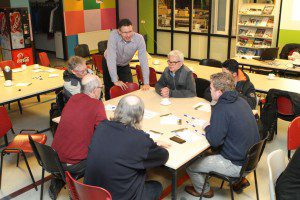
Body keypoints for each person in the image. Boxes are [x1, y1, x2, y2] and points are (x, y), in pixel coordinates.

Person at [185, 72, 260, 198]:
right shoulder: (241, 100)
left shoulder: (222, 108)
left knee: (189, 166)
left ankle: (204, 191)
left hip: (236, 164)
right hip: (251, 159)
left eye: (211, 89)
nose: (210, 91)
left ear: (219, 92)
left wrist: (208, 127)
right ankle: (238, 180)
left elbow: (214, 141)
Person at [84, 95, 169, 200]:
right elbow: (163, 156)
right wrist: (151, 144)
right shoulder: (139, 139)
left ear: (118, 110)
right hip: (117, 197)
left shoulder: (102, 126)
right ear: (140, 116)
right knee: (156, 186)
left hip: (89, 193)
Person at [50, 74, 107, 199]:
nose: (101, 90)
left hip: (53, 157)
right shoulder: (96, 105)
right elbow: (104, 132)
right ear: (94, 90)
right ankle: (92, 192)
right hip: (73, 163)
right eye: (100, 87)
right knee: (106, 155)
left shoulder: (73, 99)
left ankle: (58, 179)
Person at [103, 18, 150, 100]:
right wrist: (115, 80)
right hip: (109, 62)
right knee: (110, 89)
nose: (128, 35)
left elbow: (143, 60)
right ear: (119, 31)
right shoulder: (113, 35)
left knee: (129, 89)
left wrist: (146, 82)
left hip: (124, 64)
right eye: (125, 32)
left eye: (130, 31)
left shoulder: (139, 39)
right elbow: (111, 58)